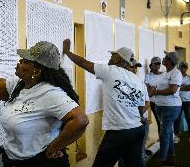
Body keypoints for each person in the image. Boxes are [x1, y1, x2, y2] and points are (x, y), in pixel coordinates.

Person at [0, 30, 89, 167]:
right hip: (13, 162)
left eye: (25, 61)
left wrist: (53, 148)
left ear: (36, 70)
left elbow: (80, 120)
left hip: (40, 163)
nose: (20, 61)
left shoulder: (50, 93)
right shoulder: (19, 84)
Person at [63, 39, 148, 167]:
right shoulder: (138, 81)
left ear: (118, 59)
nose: (110, 58)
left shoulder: (110, 71)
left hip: (119, 131)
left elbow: (83, 62)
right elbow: (140, 108)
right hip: (137, 130)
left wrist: (67, 52)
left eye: (113, 56)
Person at [149, 51, 182, 167]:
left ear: (170, 61)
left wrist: (156, 92)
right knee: (168, 132)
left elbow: (172, 90)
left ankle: (162, 159)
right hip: (161, 107)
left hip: (171, 107)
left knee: (164, 133)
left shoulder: (176, 73)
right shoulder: (166, 73)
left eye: (165, 57)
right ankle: (170, 157)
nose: (163, 58)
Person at [118, 60, 150, 167]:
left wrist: (138, 116)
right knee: (122, 155)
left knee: (138, 155)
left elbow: (147, 102)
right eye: (132, 67)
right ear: (125, 67)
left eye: (136, 67)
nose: (134, 69)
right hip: (124, 125)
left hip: (140, 123)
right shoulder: (119, 83)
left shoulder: (140, 82)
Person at [174, 61, 190, 145]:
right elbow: (173, 87)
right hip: (177, 101)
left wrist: (180, 87)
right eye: (181, 67)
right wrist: (185, 87)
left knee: (189, 119)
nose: (183, 68)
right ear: (179, 68)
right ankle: (177, 135)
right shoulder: (177, 77)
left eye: (184, 67)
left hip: (188, 101)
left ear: (187, 68)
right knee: (177, 119)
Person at [144, 57, 166, 137]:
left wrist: (153, 88)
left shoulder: (164, 74)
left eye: (158, 64)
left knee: (164, 121)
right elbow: (148, 91)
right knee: (159, 120)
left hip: (164, 101)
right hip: (154, 102)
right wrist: (154, 89)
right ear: (151, 65)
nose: (157, 65)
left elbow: (165, 88)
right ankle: (161, 138)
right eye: (155, 64)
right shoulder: (148, 76)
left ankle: (165, 137)